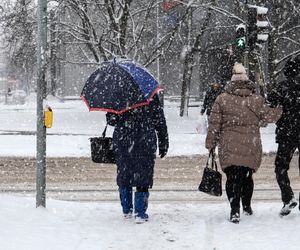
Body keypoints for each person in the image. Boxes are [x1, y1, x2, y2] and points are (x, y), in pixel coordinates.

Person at [205, 63, 282, 224]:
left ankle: (234, 210)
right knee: (247, 177)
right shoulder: (256, 100)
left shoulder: (222, 99)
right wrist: (281, 108)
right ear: (248, 82)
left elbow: (214, 124)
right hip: (251, 144)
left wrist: (210, 143)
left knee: (232, 178)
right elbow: (269, 116)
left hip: (228, 144)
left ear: (231, 82)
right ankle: (246, 206)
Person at [106, 94, 169, 223]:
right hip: (145, 140)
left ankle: (127, 209)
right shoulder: (150, 95)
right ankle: (140, 212)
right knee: (143, 175)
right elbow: (159, 120)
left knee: (124, 174)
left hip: (124, 140)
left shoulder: (119, 93)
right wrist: (163, 141)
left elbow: (111, 120)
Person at [267, 54, 300, 217]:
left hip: (287, 131)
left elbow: (271, 103)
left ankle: (287, 196)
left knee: (281, 166)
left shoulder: (283, 87)